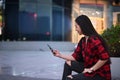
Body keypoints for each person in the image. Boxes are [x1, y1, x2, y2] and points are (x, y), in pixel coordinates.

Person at [53, 15, 111, 80]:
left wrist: (90, 70)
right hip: (88, 68)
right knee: (67, 63)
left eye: (76, 27)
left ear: (82, 26)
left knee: (70, 78)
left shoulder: (94, 40)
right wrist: (60, 55)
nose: (75, 29)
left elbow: (105, 58)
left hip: (100, 74)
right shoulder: (83, 40)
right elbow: (75, 57)